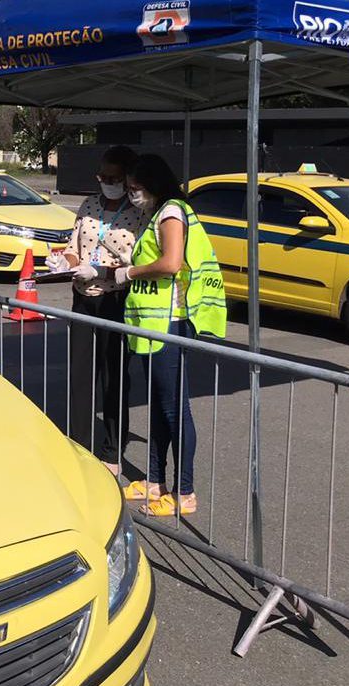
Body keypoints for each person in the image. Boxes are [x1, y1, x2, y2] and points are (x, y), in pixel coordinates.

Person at [115, 154, 227, 516]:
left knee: (174, 409)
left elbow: (171, 263)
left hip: (170, 322)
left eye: (136, 188)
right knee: (161, 407)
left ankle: (185, 492)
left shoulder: (171, 213)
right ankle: (154, 479)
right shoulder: (159, 213)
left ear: (153, 185)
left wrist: (129, 273)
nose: (132, 195)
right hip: (152, 324)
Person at [57, 145, 147, 475]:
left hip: (115, 300)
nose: (106, 182)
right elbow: (73, 245)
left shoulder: (139, 213)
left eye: (113, 177)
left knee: (114, 378)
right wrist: (65, 262)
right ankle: (79, 445)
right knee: (80, 377)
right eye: (102, 176)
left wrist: (102, 272)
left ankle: (112, 451)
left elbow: (140, 262)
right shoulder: (89, 204)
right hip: (83, 297)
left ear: (126, 179)